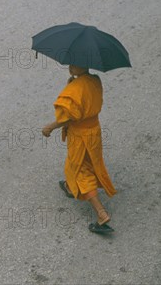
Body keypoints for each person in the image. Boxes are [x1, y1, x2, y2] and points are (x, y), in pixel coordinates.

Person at [42, 64, 117, 234]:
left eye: (74, 64)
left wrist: (50, 127)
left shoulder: (75, 88)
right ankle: (70, 186)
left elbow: (68, 117)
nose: (70, 67)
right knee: (86, 163)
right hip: (94, 131)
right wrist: (73, 84)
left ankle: (101, 214)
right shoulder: (94, 80)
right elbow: (85, 99)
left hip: (80, 136)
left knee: (80, 169)